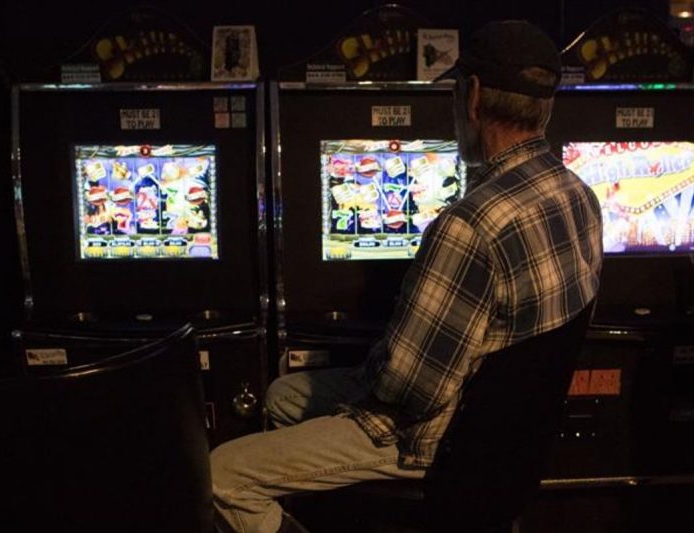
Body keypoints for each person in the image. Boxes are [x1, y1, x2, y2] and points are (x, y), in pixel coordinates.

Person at [211, 20, 603, 533]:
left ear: (472, 96)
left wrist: (378, 360)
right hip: (511, 442)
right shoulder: (579, 195)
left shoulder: (469, 224)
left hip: (438, 438)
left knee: (221, 476)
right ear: (545, 105)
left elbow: (409, 388)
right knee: (283, 395)